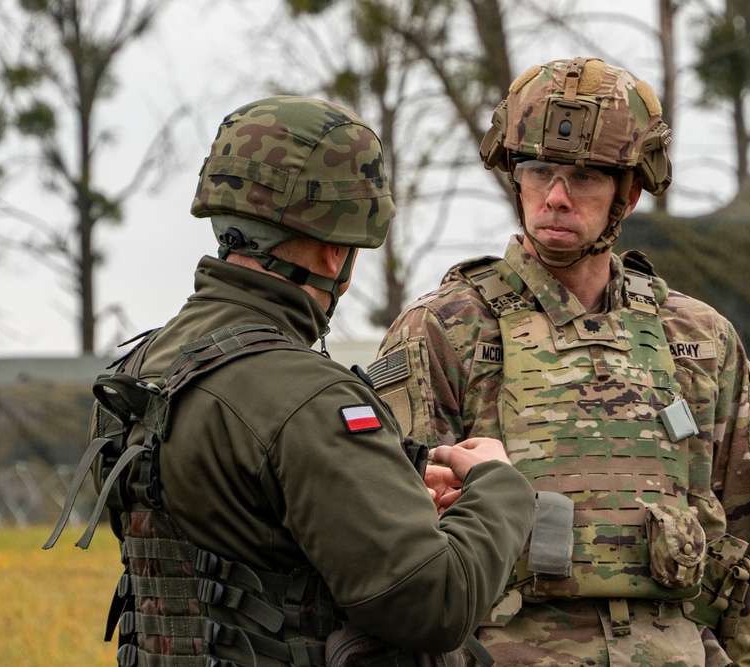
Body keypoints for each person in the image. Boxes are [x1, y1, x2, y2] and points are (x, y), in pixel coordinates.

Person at [372, 58, 750, 666]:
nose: (556, 197)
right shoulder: (446, 328)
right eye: (538, 171)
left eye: (585, 177)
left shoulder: (698, 338)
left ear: (630, 191)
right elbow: (389, 537)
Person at [44, 96, 535, 667]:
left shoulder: (137, 373)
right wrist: (500, 487)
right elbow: (433, 603)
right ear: (335, 254)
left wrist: (377, 483)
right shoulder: (308, 397)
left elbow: (228, 541)